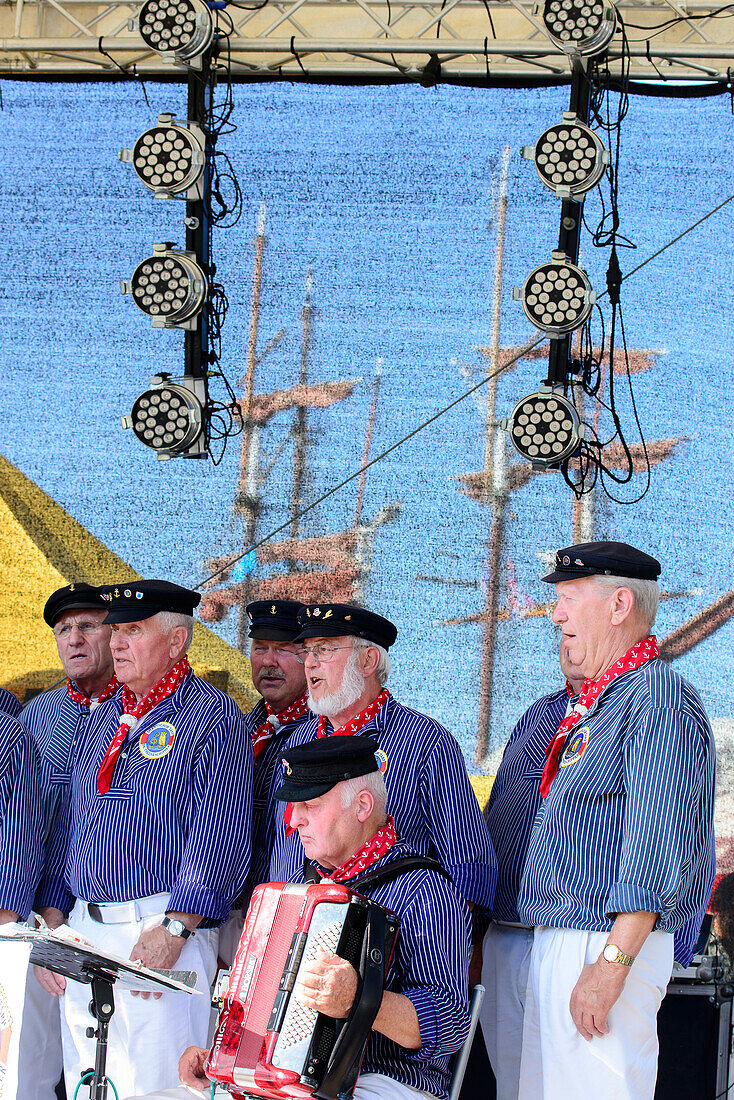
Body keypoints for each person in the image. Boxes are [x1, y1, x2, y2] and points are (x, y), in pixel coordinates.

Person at [125, 735, 472, 1100]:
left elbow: (450, 1024)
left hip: (385, 1081)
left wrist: (360, 1001)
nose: (294, 820)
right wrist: (224, 1056)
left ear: (363, 805)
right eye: (294, 805)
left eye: (311, 804)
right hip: (282, 1080)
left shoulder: (425, 889)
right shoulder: (298, 890)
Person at [34, 580, 254, 1100]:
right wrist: (52, 921)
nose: (116, 643)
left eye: (133, 630)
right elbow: (73, 821)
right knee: (93, 1085)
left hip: (160, 930)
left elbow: (219, 833)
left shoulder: (212, 716)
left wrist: (178, 926)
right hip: (86, 931)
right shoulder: (105, 717)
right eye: (117, 630)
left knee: (160, 1088)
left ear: (176, 641)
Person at [515, 541, 716, 1100]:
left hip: (603, 941)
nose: (555, 614)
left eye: (568, 598)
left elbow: (658, 841)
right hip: (566, 937)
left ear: (619, 604)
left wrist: (611, 964)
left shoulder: (658, 701)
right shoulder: (605, 702)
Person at [266, 603, 497, 928]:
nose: (311, 662)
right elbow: (278, 847)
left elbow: (468, 862)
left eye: (325, 649)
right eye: (306, 651)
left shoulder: (424, 741)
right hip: (290, 935)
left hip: (385, 944)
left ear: (368, 661)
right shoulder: (295, 741)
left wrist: (462, 945)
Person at [17, 581, 120, 1100]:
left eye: (87, 626)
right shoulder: (34, 718)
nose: (74, 639)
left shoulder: (142, 712)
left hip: (115, 915)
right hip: (38, 920)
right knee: (30, 1070)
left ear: (115, 635)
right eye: (63, 630)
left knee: (105, 1069)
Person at [217, 598, 310, 965]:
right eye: (260, 648)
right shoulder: (238, 728)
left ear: (310, 657)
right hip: (224, 913)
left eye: (284, 649)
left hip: (288, 919)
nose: (268, 661)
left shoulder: (326, 738)